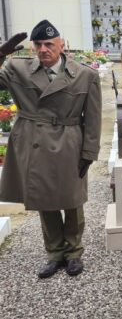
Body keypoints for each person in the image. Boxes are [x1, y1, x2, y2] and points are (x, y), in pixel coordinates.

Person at [0, 20, 101, 278]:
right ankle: (54, 254)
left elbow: (93, 117)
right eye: (38, 45)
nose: (43, 49)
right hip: (34, 141)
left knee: (72, 200)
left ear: (61, 45)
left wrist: (89, 152)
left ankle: (74, 253)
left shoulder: (85, 74)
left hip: (68, 141)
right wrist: (1, 53)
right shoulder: (17, 68)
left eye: (49, 44)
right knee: (46, 201)